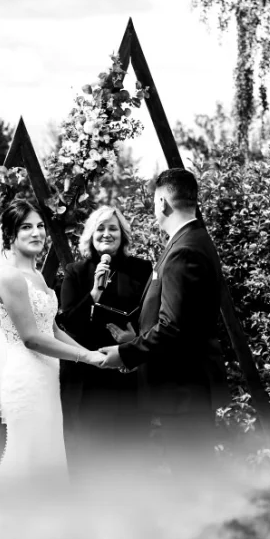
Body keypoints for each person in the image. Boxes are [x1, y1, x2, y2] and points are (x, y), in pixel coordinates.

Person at [99, 169, 228, 472]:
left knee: (191, 479)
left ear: (163, 203)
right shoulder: (191, 240)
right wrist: (136, 337)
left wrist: (126, 353)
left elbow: (173, 326)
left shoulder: (184, 251)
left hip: (183, 392)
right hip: (184, 390)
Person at [0, 198, 110, 482]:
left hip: (46, 380)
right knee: (26, 462)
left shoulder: (38, 278)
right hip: (26, 381)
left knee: (47, 460)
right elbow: (31, 338)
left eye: (40, 226)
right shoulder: (10, 278)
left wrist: (93, 355)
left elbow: (52, 330)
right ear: (10, 235)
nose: (37, 233)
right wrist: (85, 357)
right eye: (26, 227)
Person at [57, 205, 153, 472]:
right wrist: (95, 294)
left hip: (126, 375)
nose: (107, 234)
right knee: (88, 459)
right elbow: (67, 326)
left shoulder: (142, 269)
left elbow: (154, 316)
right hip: (87, 380)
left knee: (128, 457)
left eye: (113, 228)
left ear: (123, 235)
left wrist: (136, 338)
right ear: (90, 234)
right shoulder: (75, 272)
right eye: (100, 228)